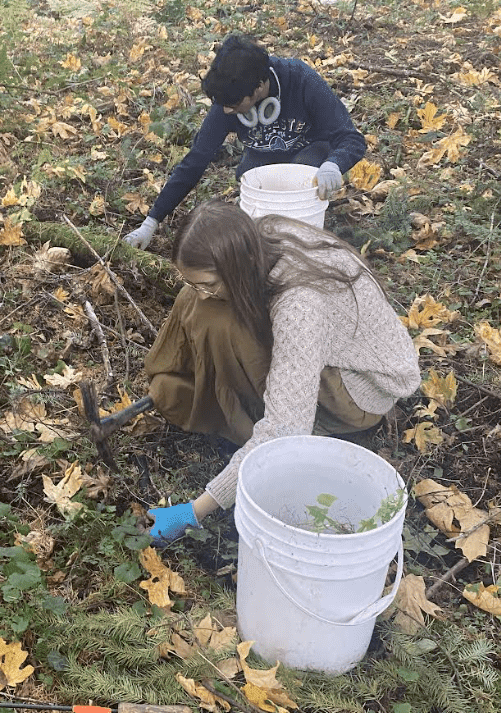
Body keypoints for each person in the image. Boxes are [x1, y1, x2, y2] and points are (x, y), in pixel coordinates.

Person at [145, 201, 420, 544]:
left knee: (224, 323)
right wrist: (199, 291)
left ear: (239, 264)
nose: (203, 292)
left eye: (210, 283)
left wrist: (194, 511)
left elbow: (286, 429)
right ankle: (193, 387)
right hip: (323, 351)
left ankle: (245, 423)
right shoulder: (258, 238)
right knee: (199, 303)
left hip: (358, 388)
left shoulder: (301, 305)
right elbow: (201, 291)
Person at [124, 34, 366, 250]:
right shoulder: (228, 98)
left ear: (259, 87)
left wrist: (333, 164)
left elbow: (351, 138)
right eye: (223, 105)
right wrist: (151, 222)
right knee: (248, 178)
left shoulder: (302, 81)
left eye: (234, 105)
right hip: (263, 160)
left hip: (310, 157)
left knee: (303, 170)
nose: (227, 111)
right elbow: (196, 160)